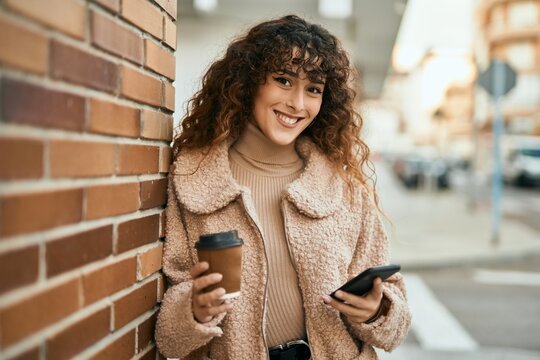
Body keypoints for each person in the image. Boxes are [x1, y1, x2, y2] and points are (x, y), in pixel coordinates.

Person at [155, 14, 411, 360]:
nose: (298, 104)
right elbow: (169, 336)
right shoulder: (192, 179)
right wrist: (194, 310)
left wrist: (376, 311)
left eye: (314, 89)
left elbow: (395, 316)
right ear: (248, 82)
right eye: (283, 80)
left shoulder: (344, 188)